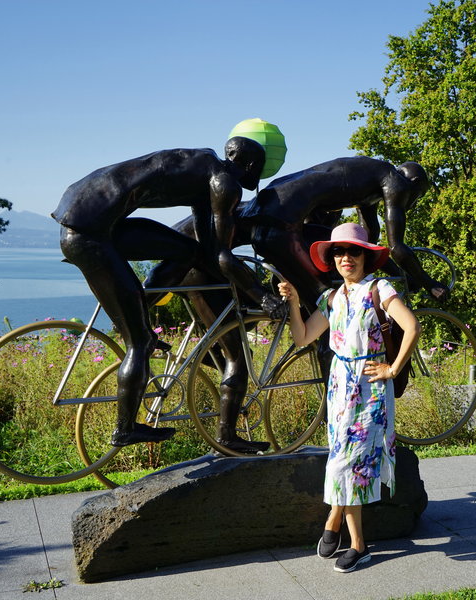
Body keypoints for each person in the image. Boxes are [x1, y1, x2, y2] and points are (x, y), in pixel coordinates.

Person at [52, 137, 281, 447]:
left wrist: (220, 268)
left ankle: (141, 320)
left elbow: (208, 250)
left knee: (188, 251)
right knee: (141, 342)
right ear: (252, 166)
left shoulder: (204, 168)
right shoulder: (224, 183)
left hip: (88, 216)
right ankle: (125, 428)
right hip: (89, 233)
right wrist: (260, 294)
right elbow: (222, 256)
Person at [277, 223, 419, 573]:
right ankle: (336, 522)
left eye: (353, 251)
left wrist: (392, 369)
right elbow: (302, 336)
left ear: (365, 257)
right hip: (340, 386)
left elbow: (412, 326)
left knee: (349, 464)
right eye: (338, 252)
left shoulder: (378, 288)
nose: (345, 258)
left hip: (370, 389)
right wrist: (294, 302)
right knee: (342, 458)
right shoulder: (332, 298)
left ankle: (356, 543)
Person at [240, 156, 448, 305]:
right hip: (281, 219)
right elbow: (397, 247)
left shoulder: (371, 178)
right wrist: (428, 283)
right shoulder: (397, 182)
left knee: (330, 255)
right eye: (418, 196)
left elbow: (368, 246)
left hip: (268, 207)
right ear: (415, 184)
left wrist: (401, 275)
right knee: (329, 301)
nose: (412, 202)